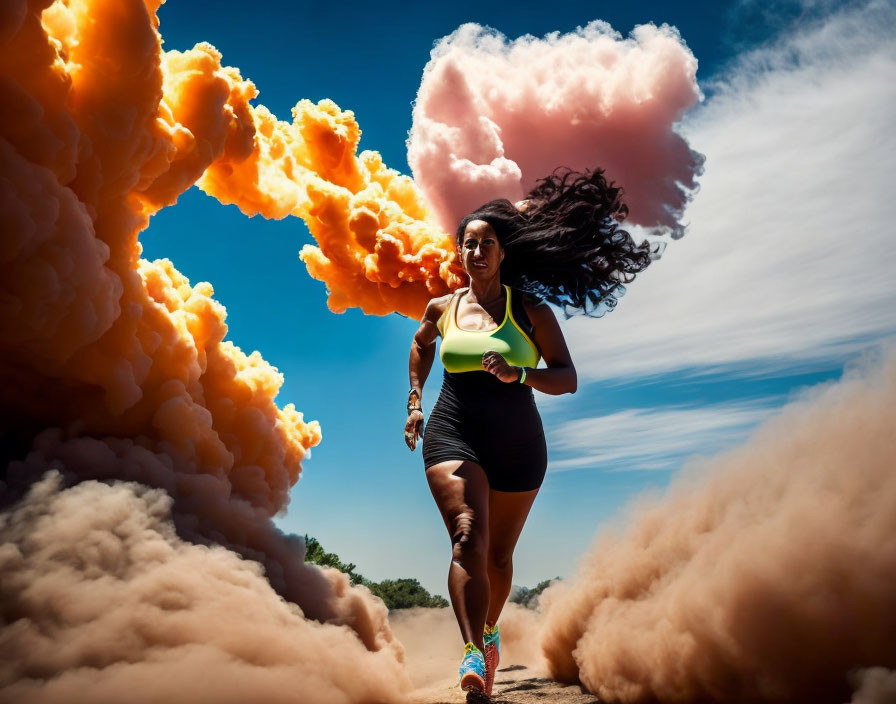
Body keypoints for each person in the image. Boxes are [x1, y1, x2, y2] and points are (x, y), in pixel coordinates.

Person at [404, 167, 655, 697]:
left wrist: (519, 372)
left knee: (497, 557)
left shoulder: (530, 310)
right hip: (454, 429)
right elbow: (423, 345)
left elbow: (567, 378)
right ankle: (472, 652)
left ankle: (491, 633)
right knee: (469, 533)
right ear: (461, 252)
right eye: (468, 244)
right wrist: (414, 400)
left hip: (519, 442)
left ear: (502, 252)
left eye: (487, 244)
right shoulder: (441, 308)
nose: (477, 253)